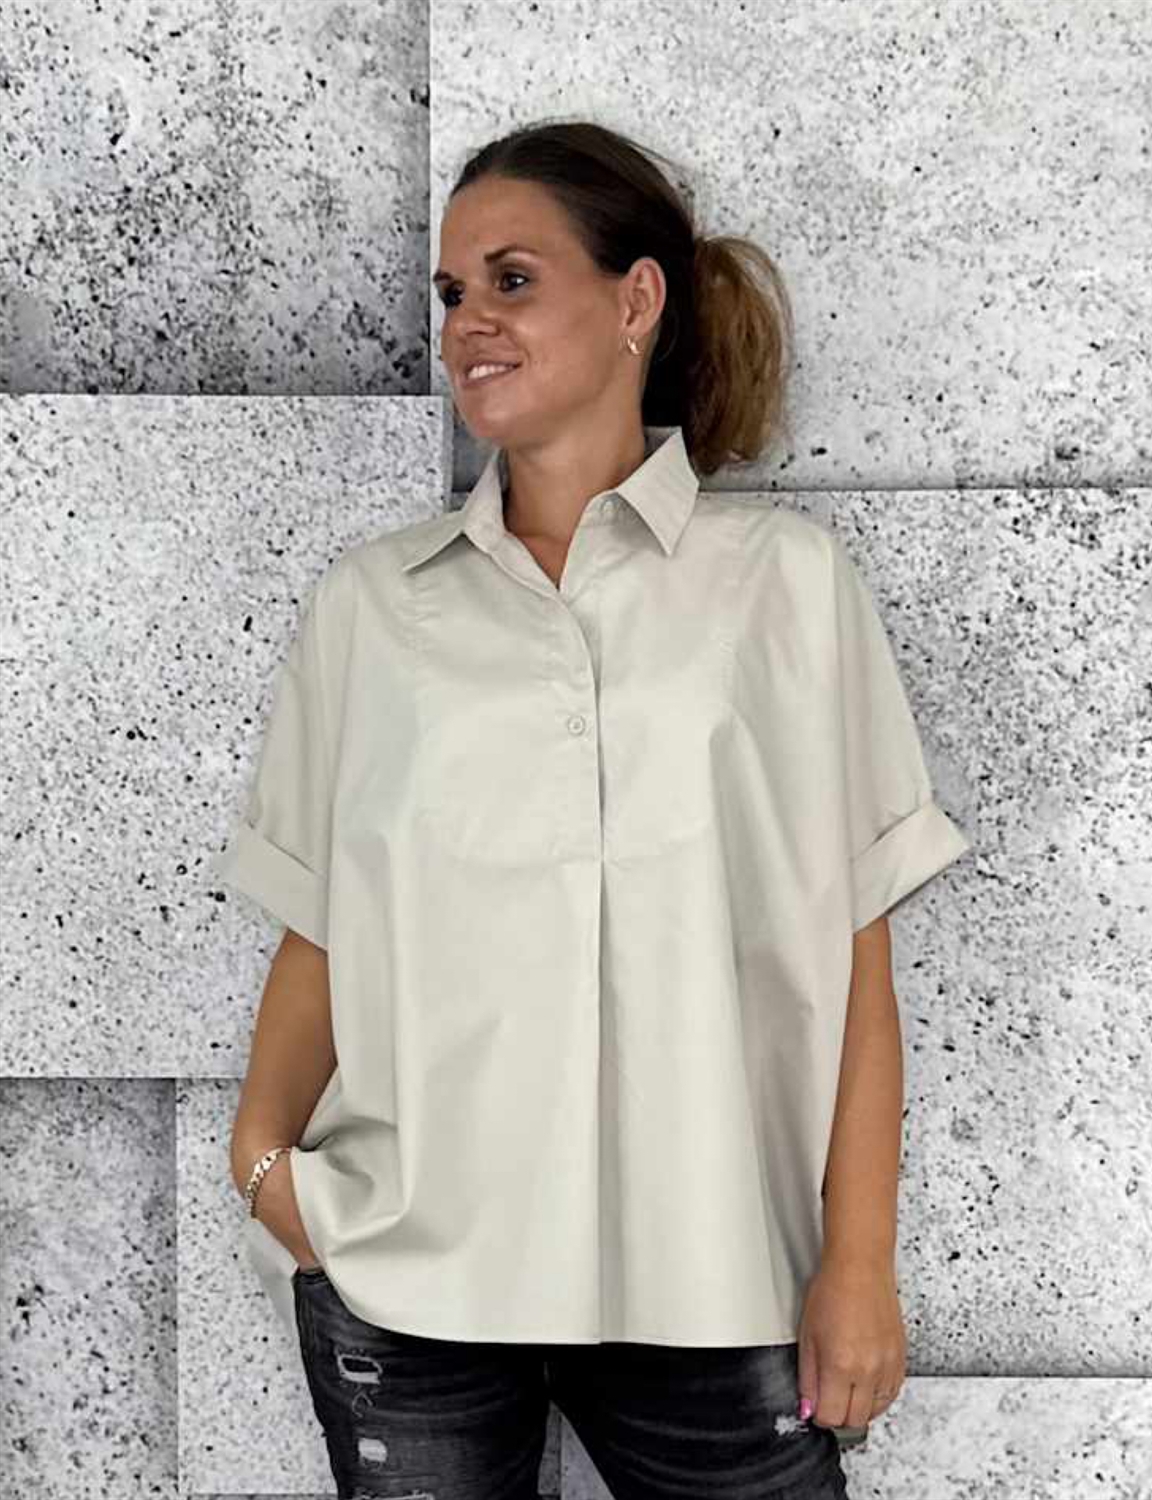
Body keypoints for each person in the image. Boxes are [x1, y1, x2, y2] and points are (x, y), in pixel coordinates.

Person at [217, 118, 971, 1500]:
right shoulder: (372, 606)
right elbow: (323, 923)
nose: (468, 323)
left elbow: (853, 960)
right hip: (415, 1284)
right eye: (453, 292)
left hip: (716, 1279)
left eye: (512, 280)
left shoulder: (790, 589)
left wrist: (858, 1264)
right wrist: (263, 1161)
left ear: (637, 300)